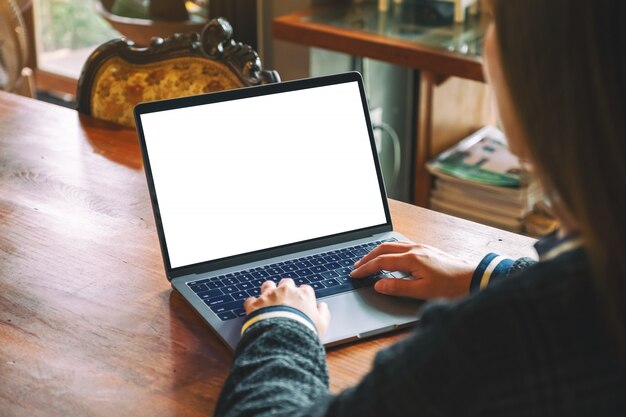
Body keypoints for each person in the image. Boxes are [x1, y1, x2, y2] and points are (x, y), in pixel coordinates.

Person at [215, 0, 626, 415]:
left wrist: (282, 326)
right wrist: (486, 275)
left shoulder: (496, 340)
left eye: (494, 21)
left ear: (546, 72)